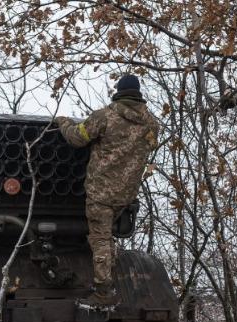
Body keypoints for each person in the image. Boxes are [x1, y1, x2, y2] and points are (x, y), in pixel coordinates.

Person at [54, 74, 159, 309]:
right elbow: (150, 147)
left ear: (119, 91)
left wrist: (63, 122)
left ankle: (103, 293)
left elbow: (76, 138)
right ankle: (109, 279)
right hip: (126, 194)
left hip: (100, 192)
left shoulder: (105, 116)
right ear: (138, 93)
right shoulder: (151, 124)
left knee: (99, 239)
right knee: (108, 236)